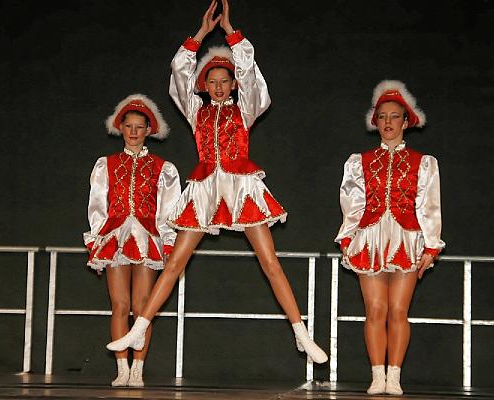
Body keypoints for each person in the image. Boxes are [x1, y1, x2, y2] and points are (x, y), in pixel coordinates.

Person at [106, 0, 328, 365]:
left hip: (241, 187)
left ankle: (301, 333)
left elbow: (253, 77)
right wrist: (202, 33)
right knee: (175, 264)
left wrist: (230, 32)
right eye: (212, 81)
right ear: (204, 85)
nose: (219, 87)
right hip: (206, 187)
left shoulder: (245, 109)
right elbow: (179, 70)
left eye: (225, 81)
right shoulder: (197, 112)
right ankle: (139, 327)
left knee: (270, 262)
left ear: (233, 84)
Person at [335, 80, 445, 395]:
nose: (387, 122)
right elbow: (352, 204)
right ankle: (377, 375)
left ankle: (394, 376)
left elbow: (430, 205)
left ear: (406, 122)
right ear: (376, 121)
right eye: (382, 116)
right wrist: (347, 238)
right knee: (375, 310)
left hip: (406, 240)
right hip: (369, 239)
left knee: (398, 311)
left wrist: (431, 246)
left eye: (394, 116)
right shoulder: (359, 162)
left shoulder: (424, 163)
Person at [84, 94, 181, 386]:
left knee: (142, 307)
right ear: (121, 128)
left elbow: (169, 210)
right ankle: (122, 369)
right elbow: (97, 205)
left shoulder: (164, 168)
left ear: (148, 130)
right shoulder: (106, 164)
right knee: (119, 305)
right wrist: (97, 240)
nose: (134, 131)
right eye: (129, 126)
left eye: (140, 127)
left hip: (147, 239)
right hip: (115, 238)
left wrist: (168, 241)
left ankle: (138, 369)